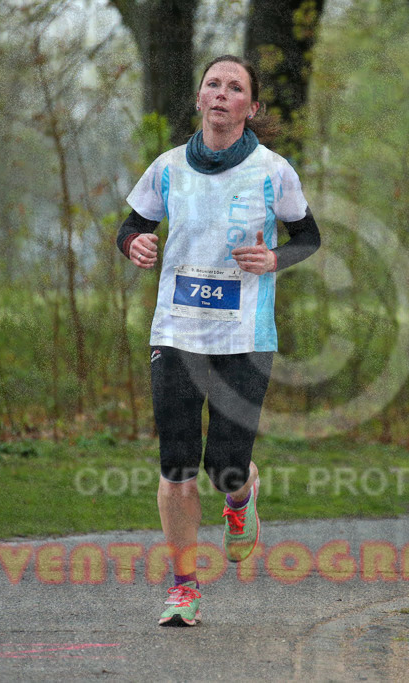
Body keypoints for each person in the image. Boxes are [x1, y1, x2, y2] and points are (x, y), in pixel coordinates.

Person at [115, 55, 321, 627]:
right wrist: (134, 245)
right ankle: (183, 588)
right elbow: (132, 226)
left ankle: (240, 495)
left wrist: (275, 258)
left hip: (244, 335)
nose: (223, 93)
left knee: (225, 466)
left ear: (251, 107)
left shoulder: (273, 171)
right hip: (176, 331)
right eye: (214, 84)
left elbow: (308, 236)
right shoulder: (167, 167)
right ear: (200, 99)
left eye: (235, 87)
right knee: (176, 462)